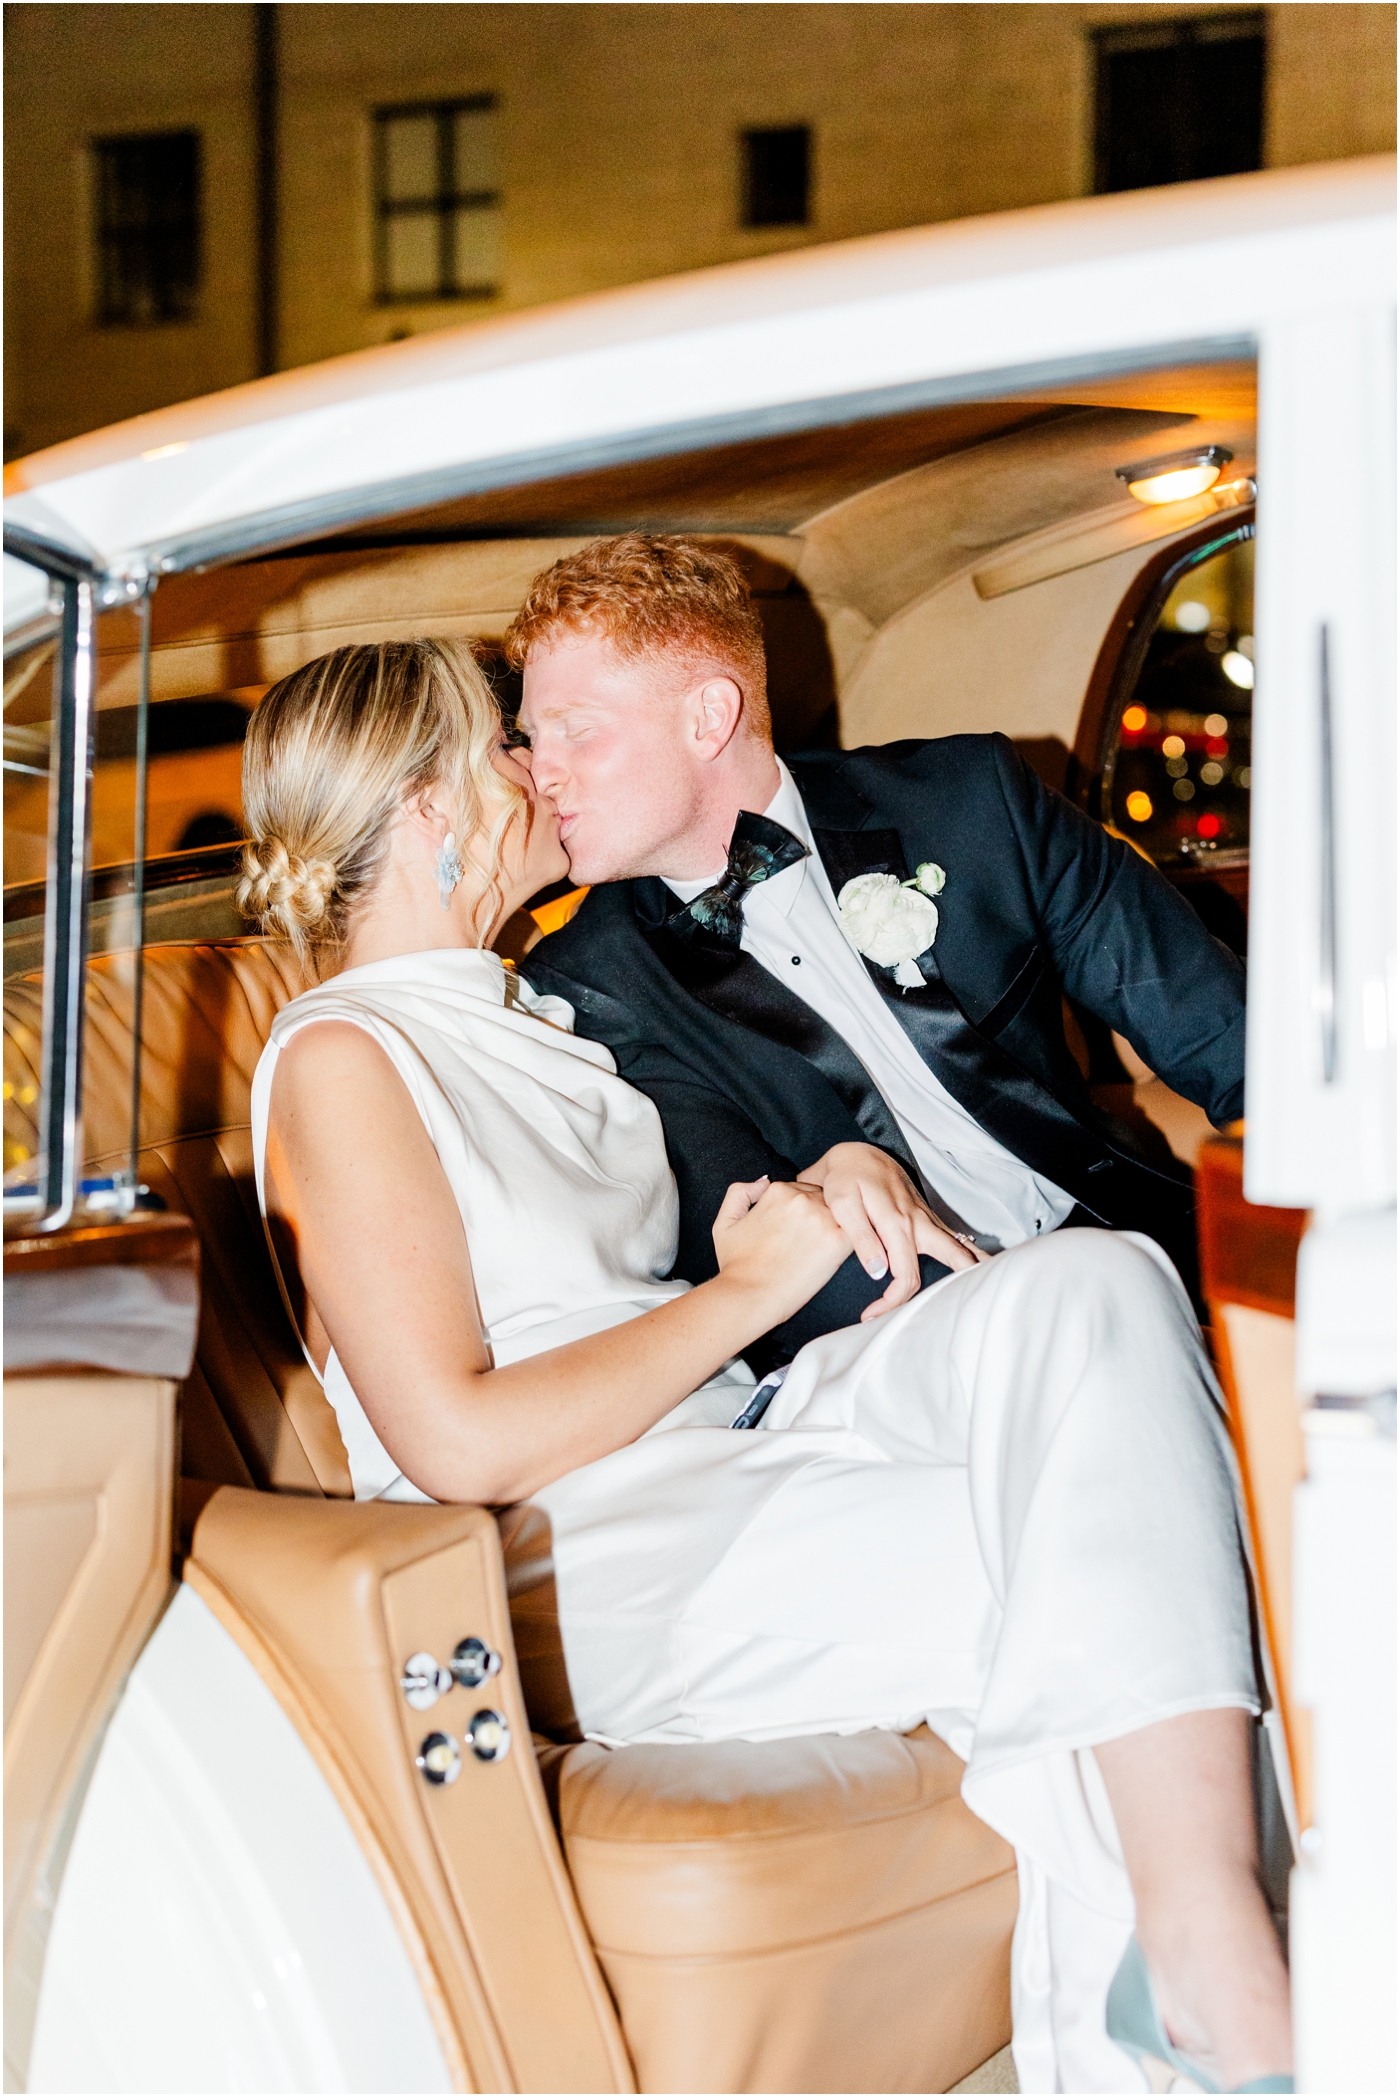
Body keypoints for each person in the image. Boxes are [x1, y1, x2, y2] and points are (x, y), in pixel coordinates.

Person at [241, 638, 1291, 2095]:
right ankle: (1209, 1977)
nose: (538, 769)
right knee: (1095, 1530)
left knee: (1096, 1288)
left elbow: (710, 1230)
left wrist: (839, 1166)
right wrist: (746, 1294)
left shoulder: (532, 1008)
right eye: (508, 743)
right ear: (432, 805)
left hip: (740, 1443)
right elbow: (459, 1446)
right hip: (578, 1547)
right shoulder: (344, 1059)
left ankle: (1191, 1966)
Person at [513, 535, 1246, 1371]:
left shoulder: (974, 802)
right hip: (907, 1351)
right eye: (534, 738)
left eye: (575, 731)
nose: (542, 775)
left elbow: (1229, 1037)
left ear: (709, 717)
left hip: (1143, 1254)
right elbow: (783, 1257)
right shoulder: (587, 985)